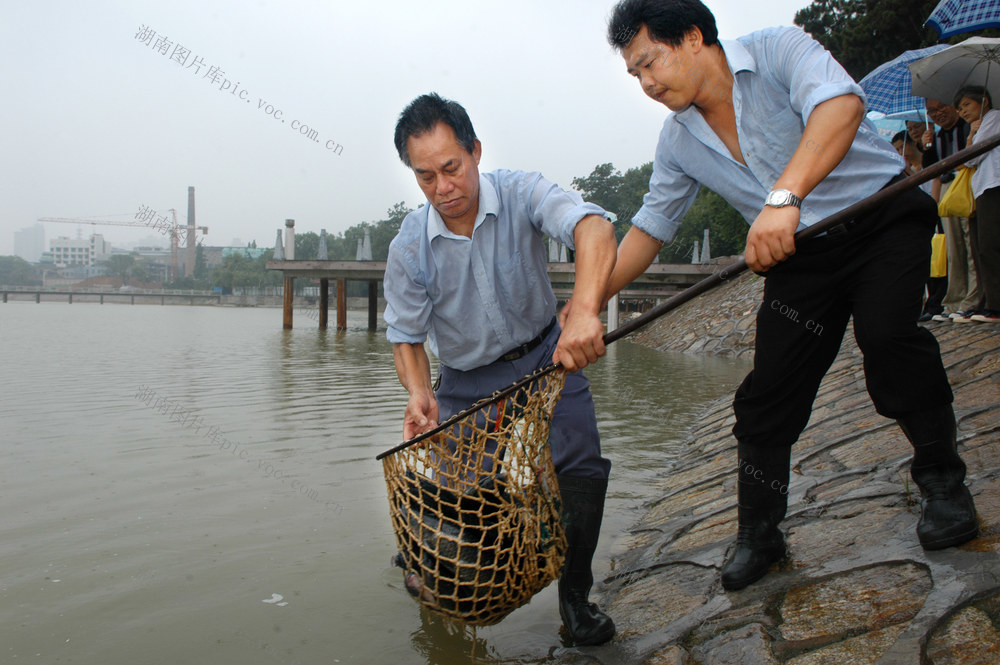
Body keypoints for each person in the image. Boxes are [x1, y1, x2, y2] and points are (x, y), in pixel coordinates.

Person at [604, 0, 978, 591]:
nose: (647, 83)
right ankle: (760, 532)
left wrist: (784, 198)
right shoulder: (677, 140)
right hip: (802, 259)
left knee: (887, 338)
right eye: (635, 74)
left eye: (651, 63)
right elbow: (651, 228)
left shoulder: (777, 50)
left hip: (880, 217)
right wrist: (583, 307)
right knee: (767, 392)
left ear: (694, 37)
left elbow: (842, 105)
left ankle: (942, 481)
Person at [384, 93, 618, 645]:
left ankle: (575, 600)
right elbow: (406, 337)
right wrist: (420, 393)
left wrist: (583, 312)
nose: (443, 187)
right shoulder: (409, 248)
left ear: (475, 151)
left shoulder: (521, 192)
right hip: (466, 384)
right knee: (464, 503)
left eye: (452, 167)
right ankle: (441, 587)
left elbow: (594, 229)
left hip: (546, 358)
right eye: (425, 177)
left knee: (581, 465)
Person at [923, 98, 982, 322]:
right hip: (948, 190)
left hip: (968, 186)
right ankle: (955, 301)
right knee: (953, 249)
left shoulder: (969, 127)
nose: (937, 114)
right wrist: (926, 146)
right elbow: (933, 169)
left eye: (941, 108)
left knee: (971, 245)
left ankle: (973, 300)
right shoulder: (937, 136)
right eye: (932, 111)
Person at [956, 86, 1000, 323]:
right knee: (983, 247)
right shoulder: (983, 124)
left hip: (994, 186)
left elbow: (971, 157)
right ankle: (989, 301)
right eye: (960, 108)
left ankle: (996, 305)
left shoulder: (993, 117)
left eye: (966, 105)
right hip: (985, 187)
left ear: (983, 101)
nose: (962, 111)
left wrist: (973, 137)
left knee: (990, 245)